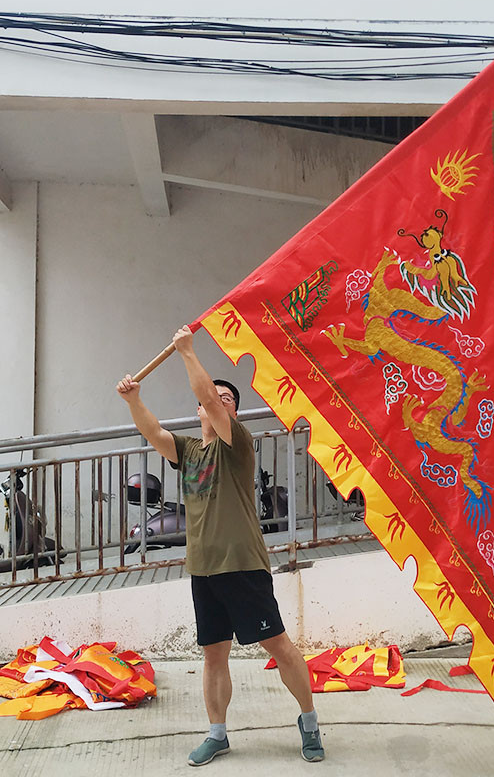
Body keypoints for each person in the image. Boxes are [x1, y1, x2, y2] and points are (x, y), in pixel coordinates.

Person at [117, 325, 324, 767]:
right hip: (204, 567)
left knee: (280, 647)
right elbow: (153, 432)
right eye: (212, 399)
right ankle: (217, 734)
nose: (217, 401)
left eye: (227, 399)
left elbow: (211, 396)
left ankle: (309, 722)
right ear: (197, 414)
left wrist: (188, 351)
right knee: (213, 654)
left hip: (243, 563)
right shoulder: (190, 450)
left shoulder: (238, 445)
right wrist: (134, 400)